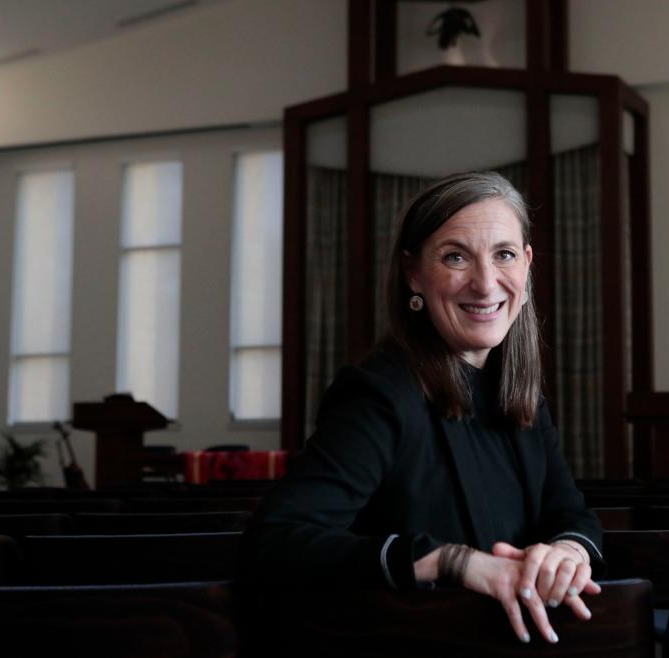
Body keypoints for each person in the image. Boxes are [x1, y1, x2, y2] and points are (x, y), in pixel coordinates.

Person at [240, 171, 604, 645]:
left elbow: (570, 513)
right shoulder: (377, 395)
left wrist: (566, 551)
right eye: (456, 257)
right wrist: (451, 561)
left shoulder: (520, 394)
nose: (485, 282)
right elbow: (274, 543)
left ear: (527, 264)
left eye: (505, 255)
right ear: (414, 273)